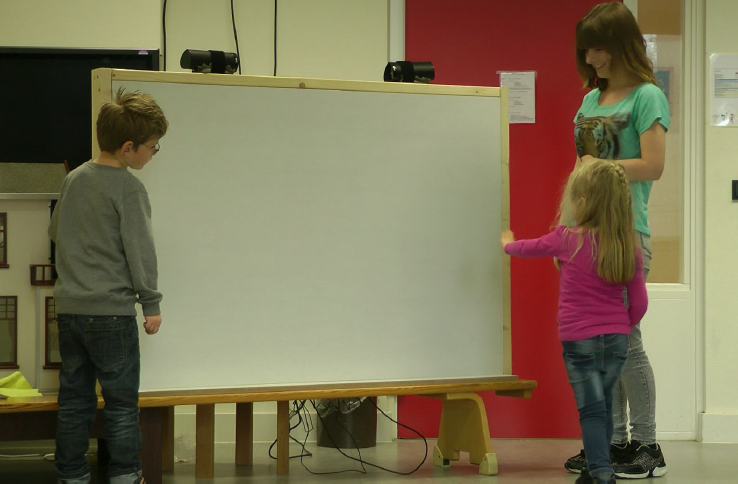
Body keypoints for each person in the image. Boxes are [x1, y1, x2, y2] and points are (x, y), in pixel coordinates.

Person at [561, 2, 670, 479]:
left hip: (627, 232)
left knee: (628, 342)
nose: (592, 58)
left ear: (621, 44)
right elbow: (581, 176)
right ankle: (613, 442)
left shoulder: (648, 96)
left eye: (599, 48)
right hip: (586, 235)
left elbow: (653, 166)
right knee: (602, 347)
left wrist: (599, 168)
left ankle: (648, 445)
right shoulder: (589, 101)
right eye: (586, 50)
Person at [49, 89, 168, 484]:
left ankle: (71, 477)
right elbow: (140, 252)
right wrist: (150, 303)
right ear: (129, 147)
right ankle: (125, 477)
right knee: (119, 405)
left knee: (74, 403)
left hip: (69, 312)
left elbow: (56, 233)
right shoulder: (128, 188)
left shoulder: (73, 180)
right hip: (112, 316)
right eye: (153, 147)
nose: (153, 154)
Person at [502, 160, 647, 484]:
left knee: (592, 411)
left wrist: (507, 243)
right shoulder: (627, 247)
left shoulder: (568, 238)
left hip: (579, 342)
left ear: (582, 202)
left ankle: (600, 473)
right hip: (616, 341)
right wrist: (623, 326)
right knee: (605, 407)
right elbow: (639, 302)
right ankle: (601, 466)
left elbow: (530, 248)